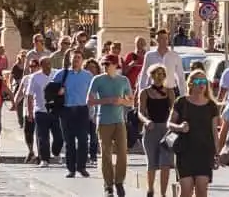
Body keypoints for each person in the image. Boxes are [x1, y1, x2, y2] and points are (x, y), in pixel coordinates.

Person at [92, 50, 136, 197]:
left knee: (123, 152)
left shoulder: (123, 80)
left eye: (108, 64)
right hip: (103, 120)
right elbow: (89, 101)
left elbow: (131, 102)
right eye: (104, 64)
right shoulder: (97, 80)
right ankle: (108, 185)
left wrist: (122, 101)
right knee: (106, 154)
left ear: (115, 65)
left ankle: (119, 181)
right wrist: (106, 100)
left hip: (119, 121)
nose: (105, 66)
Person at [168, 71, 218, 197]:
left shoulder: (211, 105)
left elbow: (214, 132)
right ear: (190, 84)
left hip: (205, 152)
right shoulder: (181, 102)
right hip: (185, 152)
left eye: (203, 82)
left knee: (202, 190)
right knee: (186, 190)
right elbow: (169, 124)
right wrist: (179, 127)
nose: (201, 85)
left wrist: (217, 153)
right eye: (197, 82)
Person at [137, 64, 179, 197]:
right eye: (157, 74)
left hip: (166, 130)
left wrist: (173, 125)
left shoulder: (169, 91)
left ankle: (163, 193)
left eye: (162, 74)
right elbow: (140, 112)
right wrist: (146, 121)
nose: (159, 77)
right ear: (151, 75)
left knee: (165, 163)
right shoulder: (145, 92)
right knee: (152, 163)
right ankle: (150, 190)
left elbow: (174, 110)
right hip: (151, 130)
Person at [60, 52, 96, 178]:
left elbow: (93, 94)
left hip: (82, 110)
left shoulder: (88, 76)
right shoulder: (62, 74)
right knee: (69, 141)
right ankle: (71, 169)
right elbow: (50, 90)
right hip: (67, 110)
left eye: (78, 58)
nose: (76, 60)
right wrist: (59, 91)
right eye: (74, 58)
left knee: (83, 140)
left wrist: (93, 111)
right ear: (70, 59)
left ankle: (81, 167)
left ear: (82, 60)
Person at [25, 56, 60, 166]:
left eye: (49, 63)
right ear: (41, 66)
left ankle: (56, 151)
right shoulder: (35, 77)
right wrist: (30, 113)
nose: (48, 66)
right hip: (40, 110)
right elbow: (29, 95)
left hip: (56, 110)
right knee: (43, 137)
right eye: (45, 64)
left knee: (59, 136)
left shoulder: (57, 74)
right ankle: (44, 159)